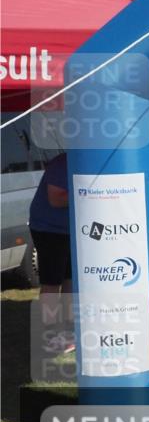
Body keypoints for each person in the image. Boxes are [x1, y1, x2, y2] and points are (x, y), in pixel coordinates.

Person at [29, 152, 74, 354]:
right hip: (49, 229)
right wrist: (86, 192)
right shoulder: (62, 163)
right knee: (52, 283)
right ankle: (49, 334)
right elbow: (56, 199)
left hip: (70, 229)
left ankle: (68, 331)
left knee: (70, 279)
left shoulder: (85, 160)